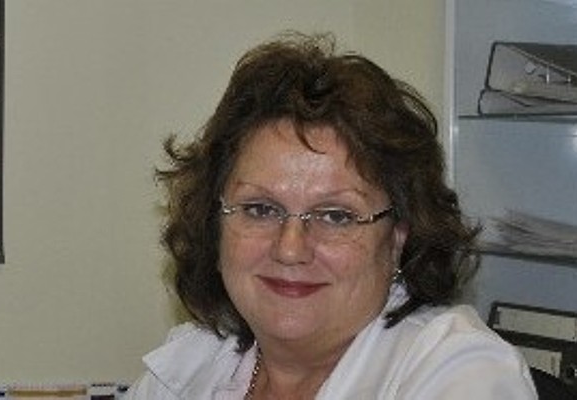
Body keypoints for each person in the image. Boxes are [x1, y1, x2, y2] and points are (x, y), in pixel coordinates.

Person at [124, 33, 538, 399]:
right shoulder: (190, 362)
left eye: (336, 216)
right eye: (260, 209)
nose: (290, 249)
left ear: (397, 238)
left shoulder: (459, 372)